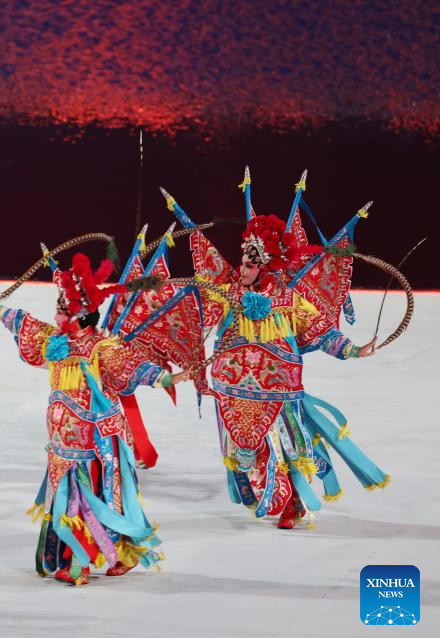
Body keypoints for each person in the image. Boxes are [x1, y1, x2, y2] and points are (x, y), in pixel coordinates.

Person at [161, 169, 387, 530]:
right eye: (242, 263)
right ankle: (268, 494)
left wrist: (355, 351)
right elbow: (199, 307)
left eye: (250, 265)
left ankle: (290, 503)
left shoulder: (286, 299)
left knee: (286, 447)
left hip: (277, 389)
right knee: (246, 450)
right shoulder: (230, 293)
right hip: (234, 388)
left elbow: (320, 331)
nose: (242, 269)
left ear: (265, 265)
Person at [0, 251, 193, 585]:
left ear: (79, 313)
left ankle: (79, 563)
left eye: (63, 308)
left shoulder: (101, 348)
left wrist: (169, 378)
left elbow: (133, 367)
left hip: (94, 444)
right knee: (80, 500)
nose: (57, 312)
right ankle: (120, 554)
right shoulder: (57, 340)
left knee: (91, 501)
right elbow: (26, 324)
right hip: (63, 441)